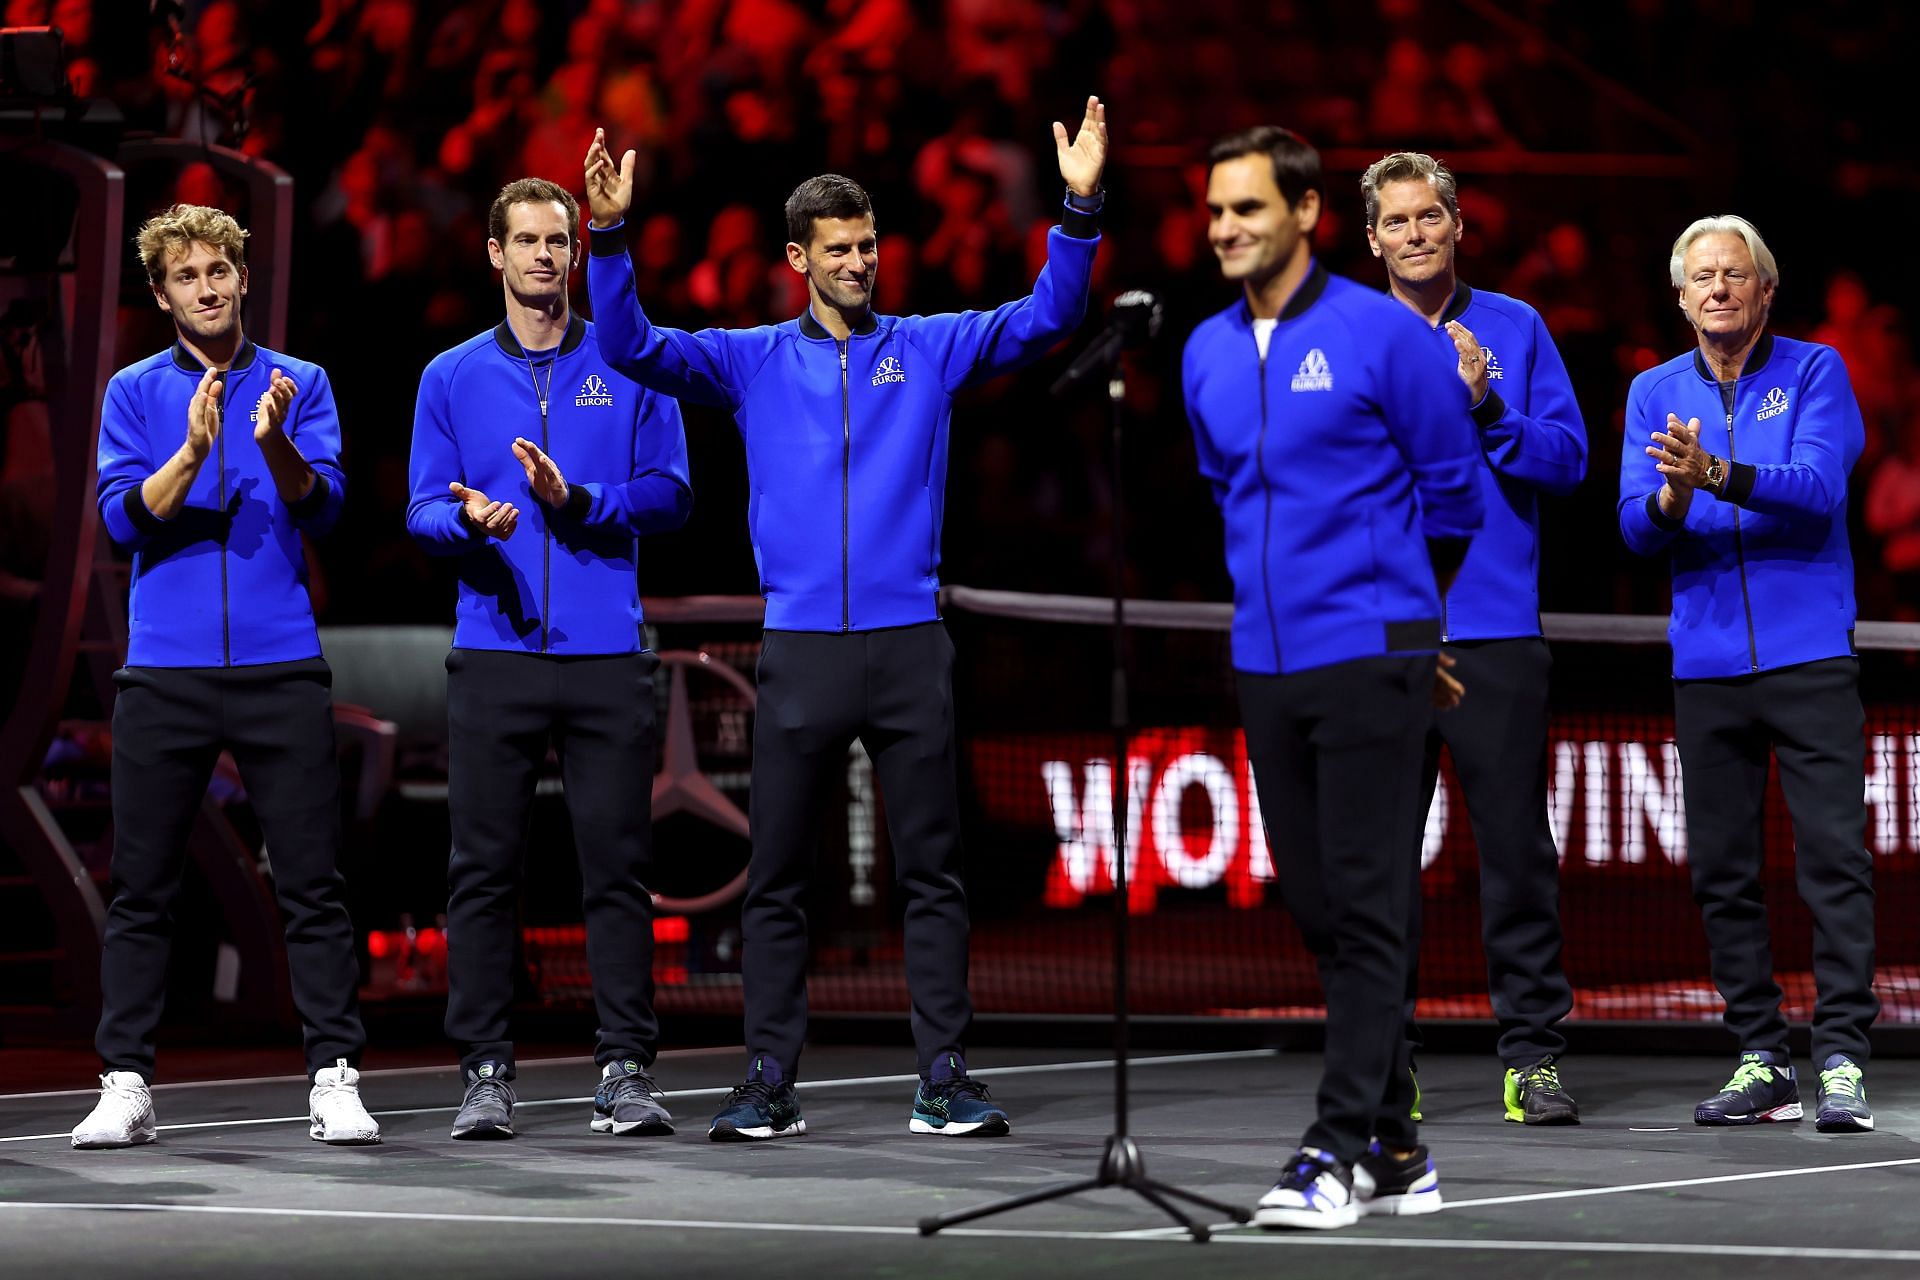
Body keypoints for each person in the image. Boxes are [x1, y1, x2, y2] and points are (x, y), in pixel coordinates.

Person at [582, 96, 1108, 1141]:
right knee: (776, 877)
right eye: (840, 249)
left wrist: (1080, 208)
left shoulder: (932, 346)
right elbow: (632, 344)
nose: (861, 263)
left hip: (911, 643)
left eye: (869, 246)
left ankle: (944, 1075)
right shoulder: (750, 359)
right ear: (798, 257)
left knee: (933, 872)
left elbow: (1050, 315)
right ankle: (769, 1075)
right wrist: (606, 237)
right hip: (803, 650)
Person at [1183, 127, 1482, 1229]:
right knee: (1319, 908)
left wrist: (1413, 631)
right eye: (1215, 210)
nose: (1225, 229)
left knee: (1364, 904)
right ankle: (1400, 1144)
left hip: (1372, 656)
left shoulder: (1382, 335)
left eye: (1248, 209)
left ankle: (1334, 1143)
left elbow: (1453, 494)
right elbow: (1227, 490)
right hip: (1266, 661)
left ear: (1306, 215)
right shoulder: (1204, 350)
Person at [76, 204, 377, 1148]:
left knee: (313, 883)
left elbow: (325, 512)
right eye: (187, 276)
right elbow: (124, 521)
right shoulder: (132, 391)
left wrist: (273, 441)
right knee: (141, 884)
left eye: (220, 271)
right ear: (162, 294)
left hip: (281, 664)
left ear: (243, 279)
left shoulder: (303, 383)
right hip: (163, 672)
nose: (207, 287)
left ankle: (333, 1072)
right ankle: (126, 1079)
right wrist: (196, 450)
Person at [406, 177, 692, 1140]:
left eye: (558, 240)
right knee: (482, 872)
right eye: (524, 240)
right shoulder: (448, 377)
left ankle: (624, 1067)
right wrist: (467, 521)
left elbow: (672, 494)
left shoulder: (634, 363)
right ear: (494, 253)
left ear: (577, 253)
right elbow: (418, 510)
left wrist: (581, 502)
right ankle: (485, 1069)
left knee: (615, 868)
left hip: (608, 656)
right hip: (492, 656)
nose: (543, 256)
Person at [1619, 215, 1875, 1134]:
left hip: (1809, 659)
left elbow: (1815, 493)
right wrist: (1668, 495)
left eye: (1736, 274)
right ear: (1681, 297)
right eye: (1702, 276)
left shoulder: (1815, 372)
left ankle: (1841, 1057)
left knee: (1833, 863)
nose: (1718, 288)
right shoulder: (1652, 392)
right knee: (1723, 871)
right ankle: (1762, 1058)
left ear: (1766, 292)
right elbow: (1636, 528)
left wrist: (1716, 474)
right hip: (1709, 665)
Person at [1361, 151, 1587, 1125]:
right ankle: (1382, 1063)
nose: (1415, 234)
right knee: (1372, 864)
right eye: (1397, 221)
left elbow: (1570, 459)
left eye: (1430, 217)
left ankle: (1532, 1056)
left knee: (1516, 854)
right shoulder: (1335, 336)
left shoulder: (1517, 328)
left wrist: (1487, 401)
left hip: (1494, 634)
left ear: (1458, 226)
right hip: (1379, 634)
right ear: (1372, 236)